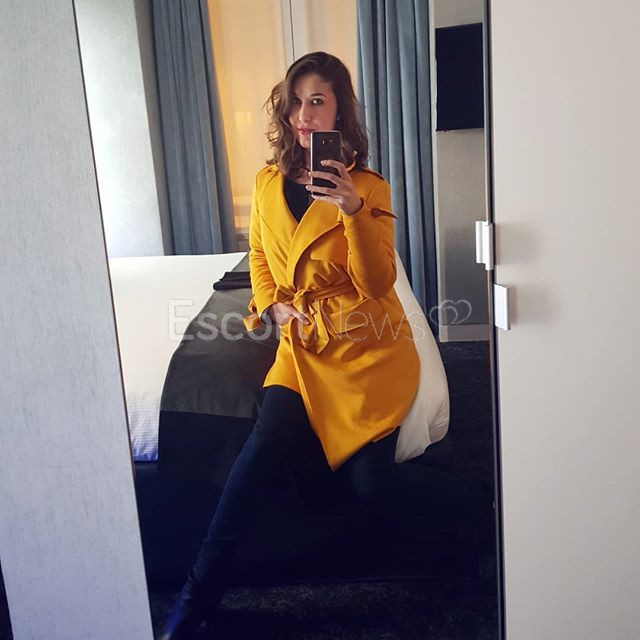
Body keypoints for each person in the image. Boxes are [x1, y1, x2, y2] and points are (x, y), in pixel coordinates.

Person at [157, 51, 492, 640]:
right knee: (257, 455)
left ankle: (484, 504)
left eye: (318, 101)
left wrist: (352, 210)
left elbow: (378, 283)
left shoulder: (368, 187)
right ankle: (195, 597)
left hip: (366, 348)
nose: (304, 115)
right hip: (302, 347)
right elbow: (260, 256)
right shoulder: (266, 183)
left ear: (340, 112)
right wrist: (270, 305)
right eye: (296, 102)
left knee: (373, 484)